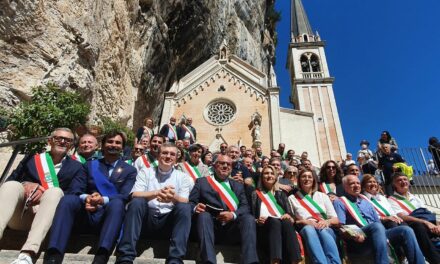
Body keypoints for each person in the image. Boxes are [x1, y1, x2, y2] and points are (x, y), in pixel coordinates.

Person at [44, 131, 137, 264]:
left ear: (122, 147)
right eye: (110, 142)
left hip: (110, 217)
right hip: (86, 213)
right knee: (68, 200)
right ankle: (54, 254)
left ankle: (101, 255)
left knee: (117, 203)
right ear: (102, 145)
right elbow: (75, 189)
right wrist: (87, 198)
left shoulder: (130, 170)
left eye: (118, 143)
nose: (113, 145)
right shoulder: (89, 165)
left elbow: (125, 195)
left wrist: (102, 200)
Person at [0, 128, 85, 264]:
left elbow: (75, 194)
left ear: (71, 145)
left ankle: (28, 254)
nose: (62, 142)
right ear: (50, 141)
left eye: (68, 140)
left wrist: (45, 193)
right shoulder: (32, 159)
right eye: (58, 138)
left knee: (55, 191)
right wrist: (26, 184)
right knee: (11, 186)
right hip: (23, 215)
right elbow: (11, 180)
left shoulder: (77, 167)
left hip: (50, 218)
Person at [116, 143, 192, 264]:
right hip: (147, 220)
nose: (168, 156)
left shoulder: (183, 177)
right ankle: (125, 256)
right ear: (158, 155)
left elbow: (185, 200)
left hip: (168, 222)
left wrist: (172, 197)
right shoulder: (146, 172)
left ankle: (175, 259)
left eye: (172, 154)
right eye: (164, 153)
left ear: (176, 158)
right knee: (136, 202)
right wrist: (157, 193)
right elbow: (135, 193)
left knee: (185, 208)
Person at [333, 175, 425, 264]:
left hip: (378, 234)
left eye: (358, 183)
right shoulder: (340, 202)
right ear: (345, 187)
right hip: (359, 240)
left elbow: (378, 222)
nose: (356, 185)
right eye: (352, 183)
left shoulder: (366, 202)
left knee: (406, 230)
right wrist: (353, 235)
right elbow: (341, 226)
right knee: (376, 226)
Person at [189, 155, 258, 264]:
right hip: (209, 228)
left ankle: (251, 261)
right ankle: (208, 261)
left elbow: (245, 207)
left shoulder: (238, 186)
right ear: (214, 166)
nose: (225, 166)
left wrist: (233, 215)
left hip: (231, 230)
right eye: (221, 163)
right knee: (204, 215)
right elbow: (191, 203)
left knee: (248, 218)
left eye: (228, 164)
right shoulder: (202, 182)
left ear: (231, 168)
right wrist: (195, 207)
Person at [250, 165, 301, 264]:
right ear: (261, 177)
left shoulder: (281, 194)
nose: (269, 175)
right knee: (274, 221)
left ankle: (295, 261)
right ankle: (275, 261)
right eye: (266, 173)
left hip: (283, 228)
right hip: (264, 229)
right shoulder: (255, 194)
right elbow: (251, 214)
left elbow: (291, 214)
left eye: (272, 173)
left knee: (286, 222)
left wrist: (289, 216)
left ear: (276, 177)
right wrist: (256, 221)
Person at [289, 170, 341, 264]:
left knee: (324, 231)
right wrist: (305, 222)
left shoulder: (323, 196)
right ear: (299, 180)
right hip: (306, 227)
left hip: (325, 226)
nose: (307, 179)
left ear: (313, 180)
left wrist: (326, 222)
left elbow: (335, 219)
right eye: (303, 176)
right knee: (309, 229)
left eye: (309, 177)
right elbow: (293, 220)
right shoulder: (292, 198)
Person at [388, 172, 440, 264]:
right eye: (399, 180)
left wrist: (438, 224)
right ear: (394, 184)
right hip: (414, 225)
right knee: (418, 226)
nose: (403, 182)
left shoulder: (416, 198)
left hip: (428, 223)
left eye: (405, 179)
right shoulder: (391, 199)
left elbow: (428, 213)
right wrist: (425, 222)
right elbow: (401, 216)